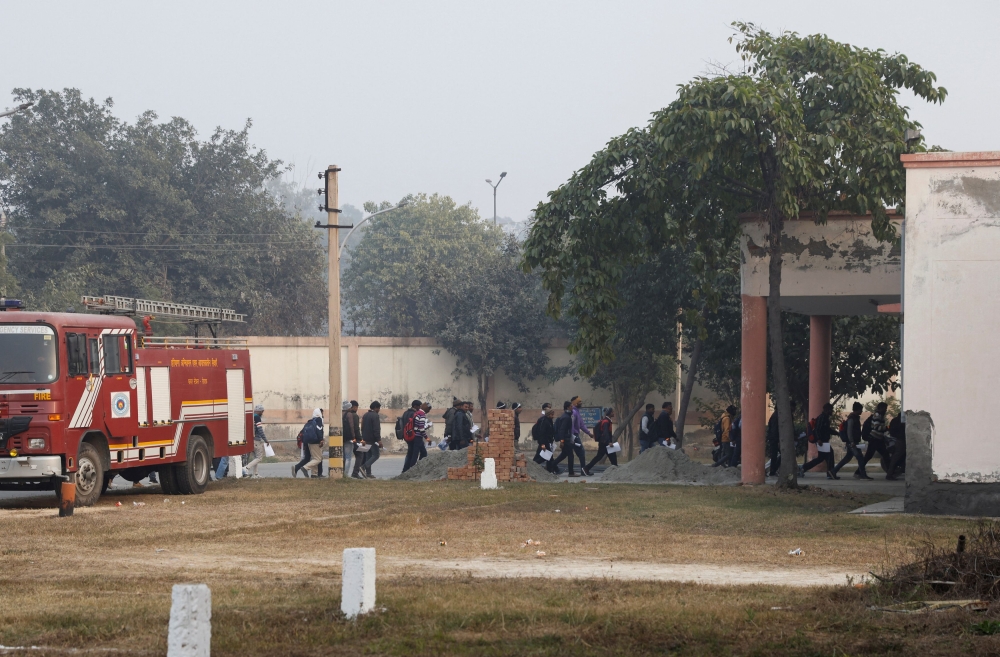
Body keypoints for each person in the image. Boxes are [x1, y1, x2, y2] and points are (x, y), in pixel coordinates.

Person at [832, 402, 871, 479]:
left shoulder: (854, 418)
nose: (861, 411)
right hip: (852, 443)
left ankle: (833, 471)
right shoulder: (852, 419)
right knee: (860, 457)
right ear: (857, 409)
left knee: (847, 458)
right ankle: (862, 474)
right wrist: (852, 441)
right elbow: (849, 431)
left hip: (853, 442)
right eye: (860, 410)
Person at [800, 403, 838, 479]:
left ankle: (803, 467)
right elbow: (817, 429)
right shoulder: (822, 418)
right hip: (822, 442)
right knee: (830, 455)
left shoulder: (825, 418)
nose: (832, 411)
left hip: (824, 441)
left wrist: (837, 433)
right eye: (831, 410)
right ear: (827, 410)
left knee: (820, 458)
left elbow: (827, 430)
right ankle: (830, 473)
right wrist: (818, 439)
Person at [860, 402, 891, 474]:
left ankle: (859, 471)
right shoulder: (877, 415)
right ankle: (890, 473)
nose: (885, 410)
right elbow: (876, 427)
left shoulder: (880, 416)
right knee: (884, 455)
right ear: (880, 408)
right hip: (875, 439)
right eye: (884, 409)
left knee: (870, 456)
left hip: (877, 439)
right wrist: (886, 428)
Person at [766, 401, 795, 477]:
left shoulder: (777, 415)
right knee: (777, 455)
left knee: (777, 455)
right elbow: (775, 430)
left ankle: (774, 470)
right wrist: (778, 441)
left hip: (775, 439)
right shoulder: (777, 416)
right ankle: (773, 470)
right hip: (775, 439)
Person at [549, 402, 578, 475]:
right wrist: (562, 441)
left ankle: (551, 466)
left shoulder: (567, 416)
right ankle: (571, 472)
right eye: (571, 406)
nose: (572, 408)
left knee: (564, 455)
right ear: (567, 407)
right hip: (565, 439)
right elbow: (562, 429)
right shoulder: (566, 417)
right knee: (570, 455)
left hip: (566, 438)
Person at [244, 404, 271, 478]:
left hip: (250, 439)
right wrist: (266, 440)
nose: (262, 413)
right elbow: (260, 430)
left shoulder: (250, 416)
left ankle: (255, 474)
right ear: (260, 411)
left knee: (255, 457)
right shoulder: (257, 417)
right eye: (262, 411)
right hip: (256, 440)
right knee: (259, 458)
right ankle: (246, 468)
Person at [300, 408, 325, 478]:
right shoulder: (319, 420)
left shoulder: (311, 421)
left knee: (315, 458)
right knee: (318, 459)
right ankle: (305, 467)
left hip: (310, 442)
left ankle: (314, 474)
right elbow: (319, 430)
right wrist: (321, 440)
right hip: (316, 442)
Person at [361, 401, 383, 478]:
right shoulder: (375, 416)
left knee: (368, 456)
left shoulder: (365, 415)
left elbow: (362, 427)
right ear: (376, 408)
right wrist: (379, 440)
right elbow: (376, 429)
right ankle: (363, 467)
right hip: (373, 439)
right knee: (376, 455)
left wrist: (363, 437)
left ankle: (368, 473)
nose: (379, 410)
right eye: (379, 408)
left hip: (365, 439)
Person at [570, 396, 592, 476]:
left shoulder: (577, 412)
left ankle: (552, 466)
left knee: (567, 454)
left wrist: (589, 433)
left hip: (575, 435)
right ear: (575, 403)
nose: (581, 403)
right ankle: (583, 471)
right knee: (581, 453)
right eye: (579, 402)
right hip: (574, 436)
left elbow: (581, 425)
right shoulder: (574, 412)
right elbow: (571, 425)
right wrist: (572, 437)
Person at [400, 399, 423, 473]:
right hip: (414, 435)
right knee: (415, 453)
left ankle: (405, 470)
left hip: (406, 435)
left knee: (410, 453)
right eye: (419, 406)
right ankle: (411, 470)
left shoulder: (405, 413)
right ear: (415, 406)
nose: (420, 408)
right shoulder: (414, 414)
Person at [531, 406, 556, 471]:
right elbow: (542, 433)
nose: (553, 416)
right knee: (546, 457)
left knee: (547, 456)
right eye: (552, 415)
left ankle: (551, 470)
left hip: (548, 441)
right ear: (548, 414)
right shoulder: (544, 421)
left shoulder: (549, 421)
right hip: (545, 441)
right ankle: (533, 466)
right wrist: (542, 444)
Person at [885, 414, 906, 480]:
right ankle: (890, 474)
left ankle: (891, 473)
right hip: (901, 441)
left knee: (895, 458)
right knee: (896, 458)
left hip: (896, 440)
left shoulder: (894, 420)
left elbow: (891, 431)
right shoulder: (902, 421)